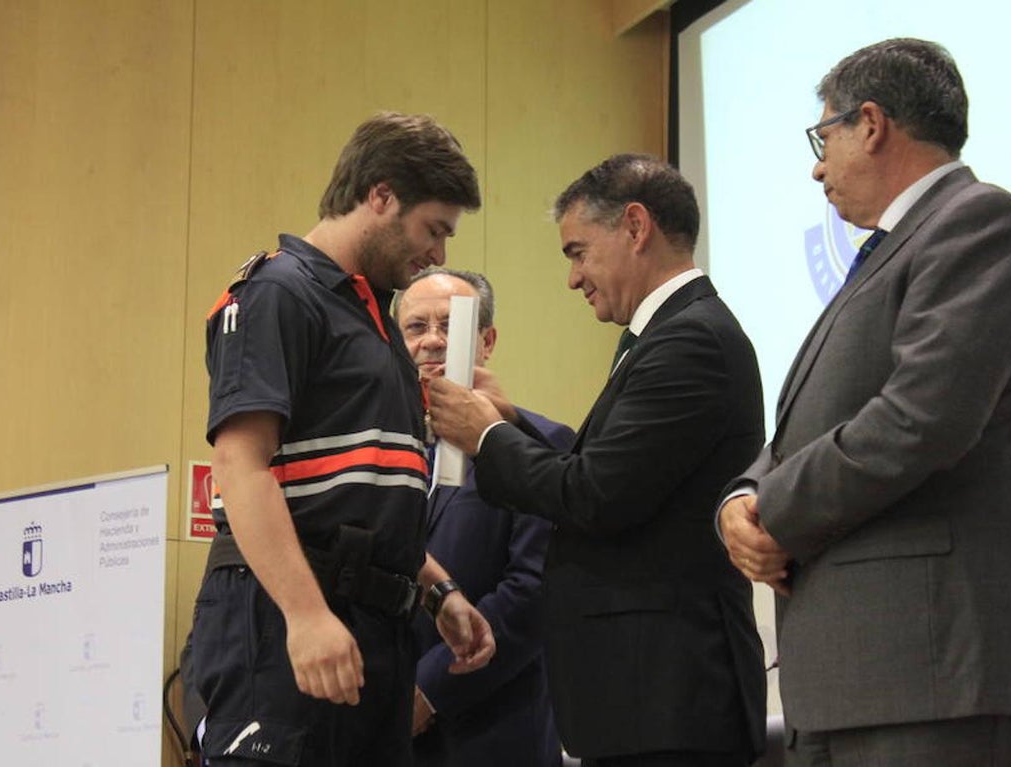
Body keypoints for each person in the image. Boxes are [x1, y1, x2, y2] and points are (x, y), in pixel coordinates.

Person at [718, 38, 1011, 767]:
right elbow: (806, 427)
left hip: (929, 677)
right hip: (853, 679)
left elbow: (922, 419)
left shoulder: (978, 220)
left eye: (821, 136)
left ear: (870, 122)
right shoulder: (887, 250)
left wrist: (771, 506)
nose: (816, 164)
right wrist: (738, 496)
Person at [428, 155, 767, 767]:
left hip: (670, 702)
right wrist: (509, 426)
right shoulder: (664, 336)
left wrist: (487, 439)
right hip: (643, 704)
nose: (573, 278)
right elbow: (613, 475)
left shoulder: (691, 340)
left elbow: (596, 495)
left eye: (578, 252)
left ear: (635, 227)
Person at [189, 111, 496, 767]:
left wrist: (440, 592)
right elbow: (240, 467)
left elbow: (357, 499)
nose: (439, 254)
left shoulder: (376, 320)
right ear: (381, 196)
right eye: (433, 229)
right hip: (284, 626)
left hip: (376, 631)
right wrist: (304, 614)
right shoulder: (277, 292)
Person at [393, 267, 575, 767]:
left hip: (493, 733)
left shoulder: (539, 445)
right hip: (377, 731)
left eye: (450, 326)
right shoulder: (381, 451)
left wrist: (428, 692)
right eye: (416, 327)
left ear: (486, 340)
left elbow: (532, 591)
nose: (432, 341)